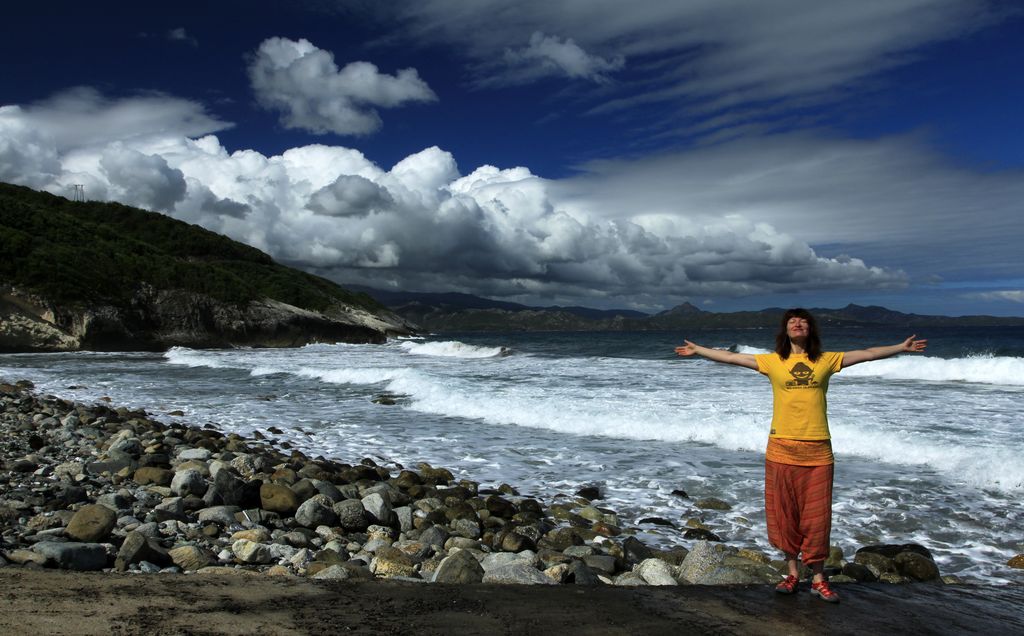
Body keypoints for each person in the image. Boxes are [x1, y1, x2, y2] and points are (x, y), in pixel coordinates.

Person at [674, 308, 926, 603]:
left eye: (803, 320)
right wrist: (698, 350)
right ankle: (792, 573)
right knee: (785, 514)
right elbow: (730, 357)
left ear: (810, 330)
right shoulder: (773, 362)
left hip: (818, 449)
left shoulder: (825, 360)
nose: (797, 323)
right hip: (781, 448)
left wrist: (901, 347)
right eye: (792, 320)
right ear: (786, 330)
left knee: (817, 518)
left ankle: (819, 578)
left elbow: (867, 353)